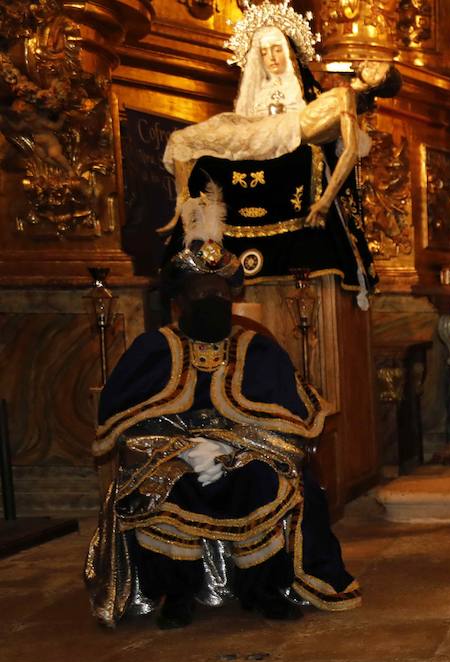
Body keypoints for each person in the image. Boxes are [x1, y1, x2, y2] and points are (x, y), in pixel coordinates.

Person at [86, 190, 360, 629]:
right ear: (181, 299)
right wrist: (182, 448)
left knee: (266, 481)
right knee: (161, 483)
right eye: (201, 292)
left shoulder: (259, 350)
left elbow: (291, 430)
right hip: (173, 453)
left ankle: (264, 590)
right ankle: (176, 593)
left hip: (243, 454)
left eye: (218, 291)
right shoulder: (153, 349)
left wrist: (225, 450)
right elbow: (123, 430)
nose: (210, 299)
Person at [160, 2, 399, 305]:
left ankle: (184, 207)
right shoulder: (333, 94)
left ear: (376, 83)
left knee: (184, 140)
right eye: (264, 52)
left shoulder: (344, 97)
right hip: (270, 131)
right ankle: (184, 206)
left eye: (379, 69)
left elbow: (351, 150)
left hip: (278, 134)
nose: (370, 62)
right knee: (186, 143)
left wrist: (325, 202)